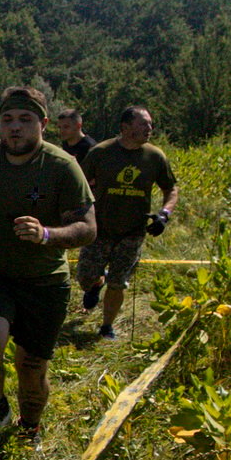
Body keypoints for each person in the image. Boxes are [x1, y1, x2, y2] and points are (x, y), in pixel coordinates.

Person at [0, 85, 96, 455]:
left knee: (31, 368)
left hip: (45, 281)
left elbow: (88, 228)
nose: (15, 128)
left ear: (42, 124)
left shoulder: (62, 166)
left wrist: (46, 234)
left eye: (25, 120)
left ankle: (30, 426)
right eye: (8, 120)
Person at [77, 105, 178, 339]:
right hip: (99, 229)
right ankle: (94, 284)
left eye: (150, 124)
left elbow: (171, 188)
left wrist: (164, 214)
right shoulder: (100, 152)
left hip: (133, 232)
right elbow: (79, 183)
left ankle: (106, 327)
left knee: (118, 281)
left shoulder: (154, 156)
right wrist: (80, 213)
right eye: (143, 124)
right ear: (125, 127)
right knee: (85, 277)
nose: (149, 128)